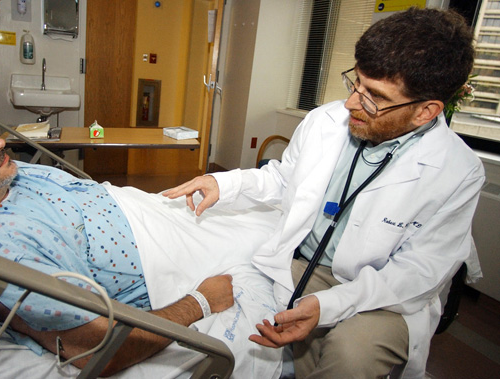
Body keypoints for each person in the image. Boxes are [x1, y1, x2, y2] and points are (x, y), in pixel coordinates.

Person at [163, 7, 485, 378]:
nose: (350, 103)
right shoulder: (326, 121)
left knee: (350, 355)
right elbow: (285, 179)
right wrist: (227, 183)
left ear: (425, 112)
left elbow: (418, 272)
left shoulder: (457, 171)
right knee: (239, 331)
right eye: (355, 83)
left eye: (373, 97)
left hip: (385, 292)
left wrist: (330, 305)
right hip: (304, 265)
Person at [0, 108, 283, 378]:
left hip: (151, 207)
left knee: (275, 208)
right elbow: (93, 350)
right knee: (282, 242)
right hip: (161, 253)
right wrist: (200, 302)